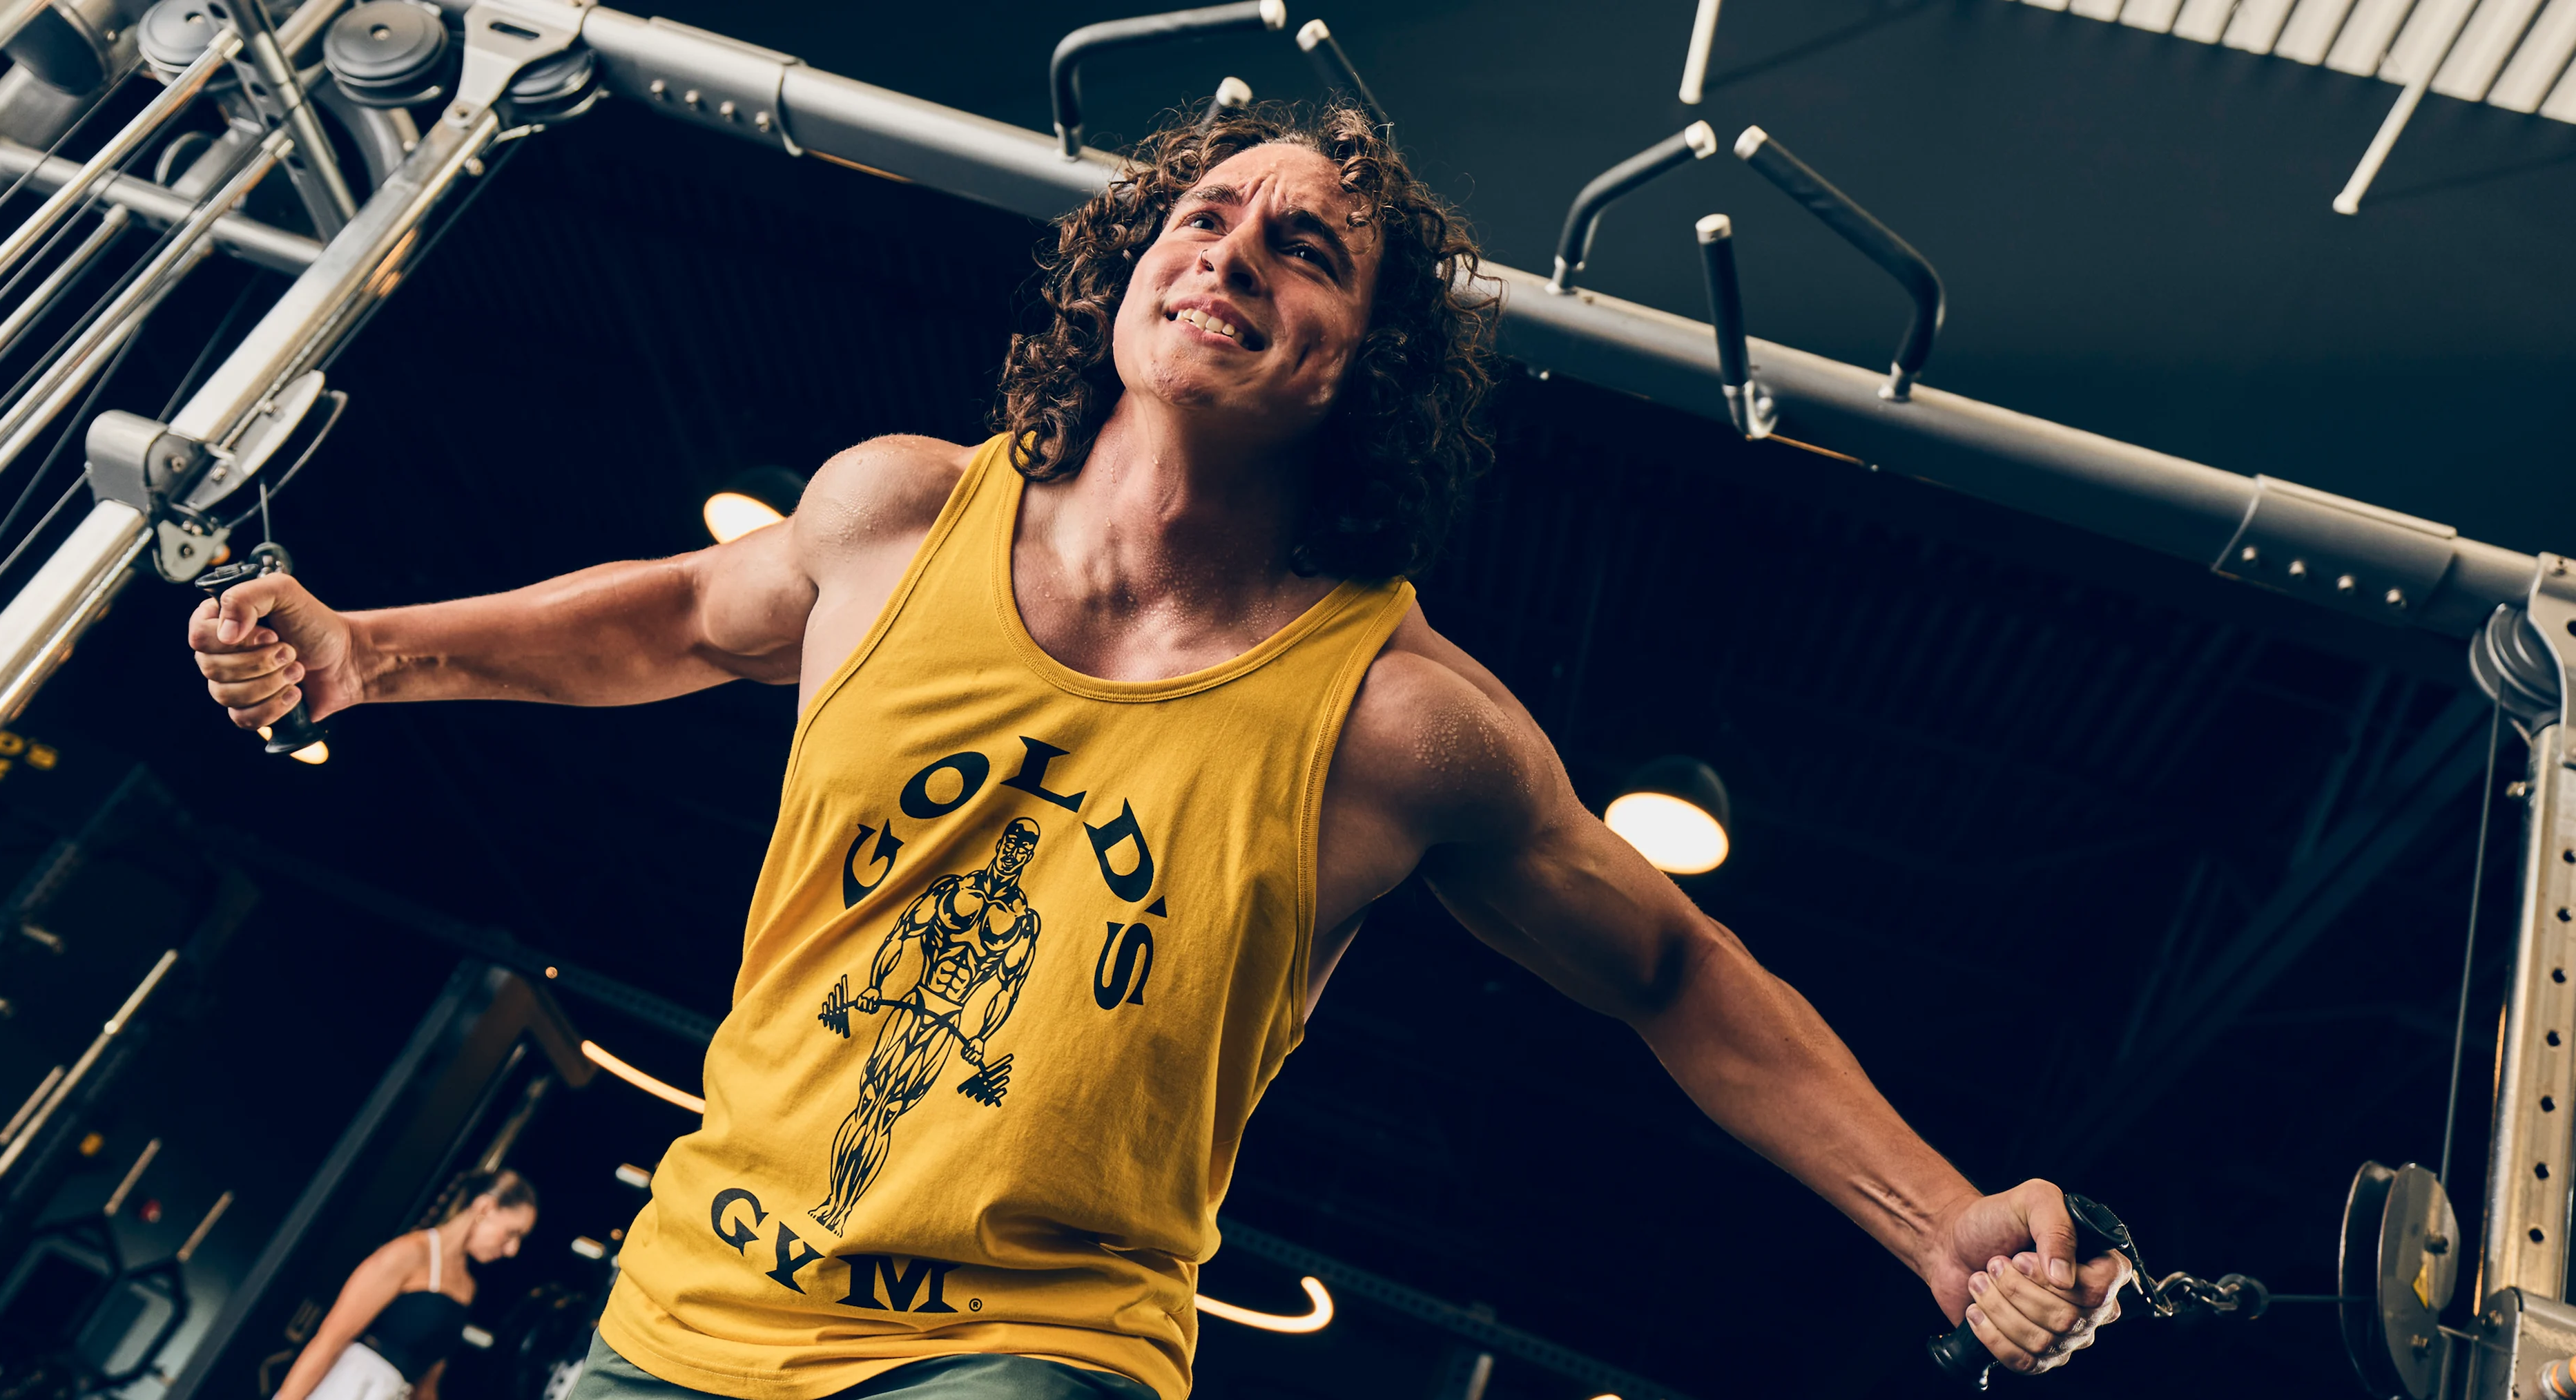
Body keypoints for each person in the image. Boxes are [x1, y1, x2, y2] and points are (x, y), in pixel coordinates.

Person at [190, 102, 2126, 1400]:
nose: (1233, 255)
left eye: (1305, 251)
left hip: (1028, 1341)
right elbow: (676, 621)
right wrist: (365, 650)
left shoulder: (1399, 721)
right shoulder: (894, 512)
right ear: (1126, 261)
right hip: (697, 1295)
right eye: (1203, 217)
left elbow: (1678, 969)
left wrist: (1940, 1219)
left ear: (1362, 363)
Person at [274, 1171, 540, 1400]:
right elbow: (329, 1341)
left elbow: (427, 1386)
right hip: (348, 1388)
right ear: (484, 1208)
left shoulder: (468, 1288)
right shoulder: (408, 1253)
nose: (512, 1250)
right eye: (512, 1233)